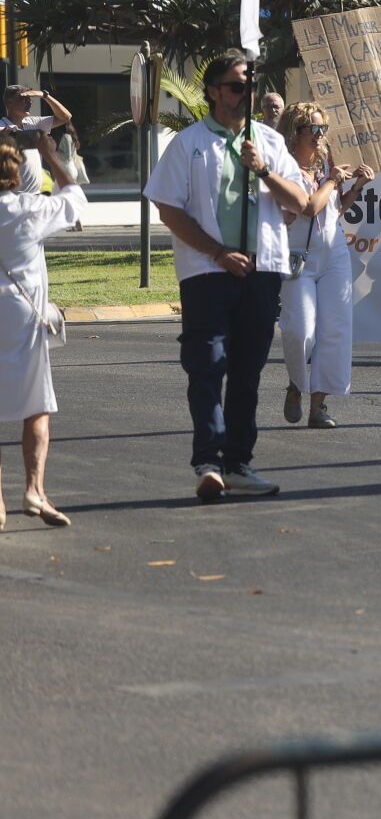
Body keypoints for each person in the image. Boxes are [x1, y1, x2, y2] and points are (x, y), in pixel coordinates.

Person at [145, 52, 313, 500]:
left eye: (251, 87)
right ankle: (209, 462)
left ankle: (238, 463)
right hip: (207, 272)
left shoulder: (269, 143)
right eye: (238, 86)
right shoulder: (189, 143)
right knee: (207, 366)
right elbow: (168, 209)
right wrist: (218, 253)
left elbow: (300, 202)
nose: (246, 94)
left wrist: (263, 170)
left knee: (247, 373)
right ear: (214, 91)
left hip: (263, 271)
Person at [0, 132, 86, 527]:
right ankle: (34, 489)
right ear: (17, 174)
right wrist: (52, 155)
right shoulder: (29, 209)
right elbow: (75, 198)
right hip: (22, 318)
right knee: (36, 405)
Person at [277, 103, 372, 430]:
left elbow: (335, 210)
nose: (320, 135)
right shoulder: (285, 167)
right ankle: (296, 382)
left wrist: (355, 187)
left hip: (334, 254)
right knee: (300, 329)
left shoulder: (325, 165)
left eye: (323, 129)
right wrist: (331, 181)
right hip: (297, 256)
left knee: (335, 329)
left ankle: (318, 405)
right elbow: (308, 208)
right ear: (296, 132)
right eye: (313, 129)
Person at [1, 85, 72, 193]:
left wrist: (45, 96)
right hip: (11, 196)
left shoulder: (33, 122)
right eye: (24, 99)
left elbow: (65, 117)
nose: (30, 102)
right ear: (9, 102)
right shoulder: (1, 127)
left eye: (30, 99)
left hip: (36, 195)